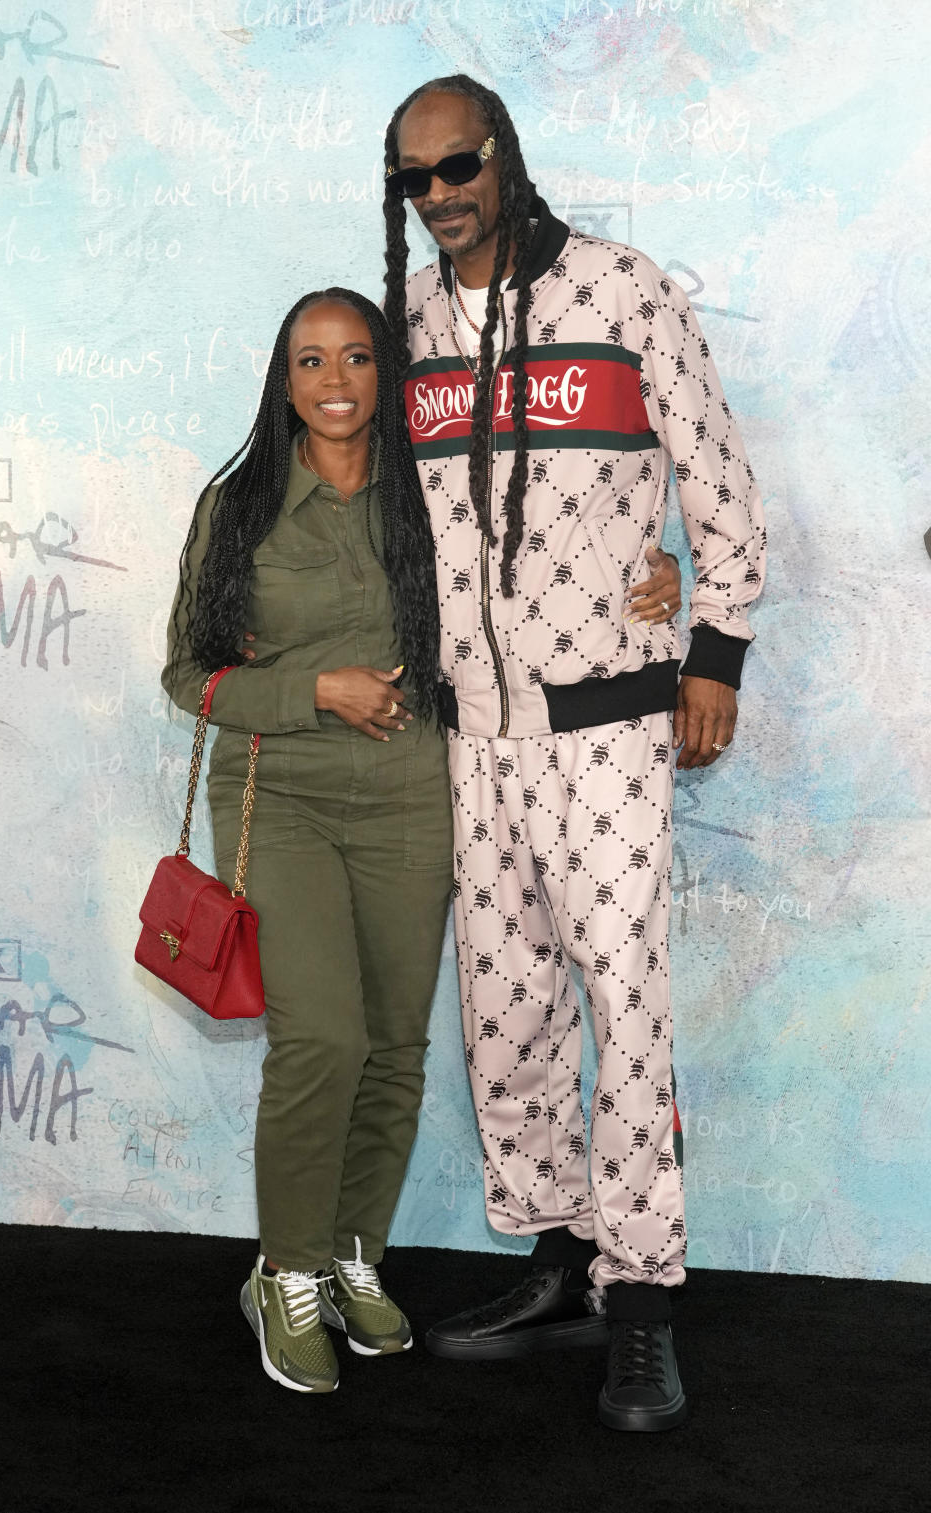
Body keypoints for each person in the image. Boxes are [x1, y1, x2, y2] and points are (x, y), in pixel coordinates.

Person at [381, 76, 767, 1431]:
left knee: (628, 1007)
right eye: (417, 177)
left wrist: (710, 647)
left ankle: (645, 1302)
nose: (443, 193)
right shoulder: (415, 322)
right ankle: (557, 1259)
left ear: (506, 157)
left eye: (462, 163)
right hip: (475, 737)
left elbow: (717, 478)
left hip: (608, 727)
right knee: (508, 1016)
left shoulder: (623, 288)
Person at [160, 288, 455, 1395]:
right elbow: (189, 674)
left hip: (413, 799)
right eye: (312, 361)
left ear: (387, 375)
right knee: (321, 1037)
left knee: (393, 1046)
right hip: (281, 798)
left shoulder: (433, 501)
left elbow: (516, 596)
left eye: (359, 359)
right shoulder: (237, 508)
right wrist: (312, 689)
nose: (337, 381)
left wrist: (649, 583)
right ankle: (283, 1270)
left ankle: (351, 1253)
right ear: (283, 381)